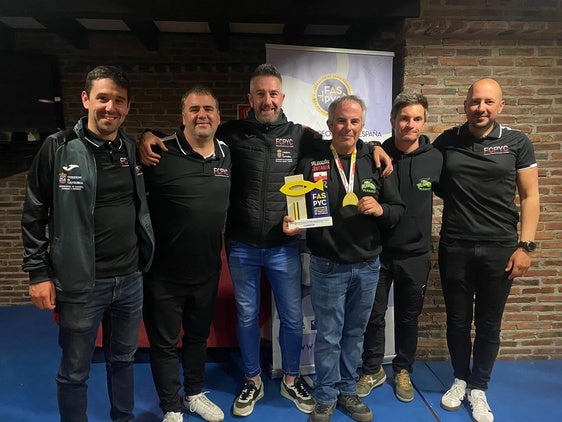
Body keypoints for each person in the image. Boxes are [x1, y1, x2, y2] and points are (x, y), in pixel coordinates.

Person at [138, 64, 393, 418]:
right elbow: (192, 134)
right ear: (250, 99)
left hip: (284, 244)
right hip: (241, 244)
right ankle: (252, 378)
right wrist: (147, 135)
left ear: (282, 97)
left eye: (273, 93)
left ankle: (290, 378)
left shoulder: (301, 136)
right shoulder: (231, 133)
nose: (267, 100)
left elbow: (343, 143)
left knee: (290, 317)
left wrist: (376, 146)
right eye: (260, 93)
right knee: (246, 315)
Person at [21, 65, 155, 422]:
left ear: (127, 107)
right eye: (103, 98)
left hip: (129, 279)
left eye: (119, 101)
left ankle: (122, 418)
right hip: (81, 283)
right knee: (75, 371)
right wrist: (38, 272)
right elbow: (34, 212)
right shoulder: (58, 148)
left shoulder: (130, 148)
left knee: (123, 361)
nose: (110, 107)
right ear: (86, 99)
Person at [284, 95, 405, 422]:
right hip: (327, 266)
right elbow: (296, 208)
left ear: (362, 126)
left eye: (354, 122)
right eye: (340, 120)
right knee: (329, 336)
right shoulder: (311, 161)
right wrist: (292, 222)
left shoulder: (376, 159)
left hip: (367, 266)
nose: (347, 127)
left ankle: (348, 392)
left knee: (354, 334)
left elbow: (397, 211)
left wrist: (381, 209)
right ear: (329, 124)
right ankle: (325, 396)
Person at [434, 78, 539, 422]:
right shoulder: (448, 141)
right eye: (475, 101)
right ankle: (460, 379)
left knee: (490, 324)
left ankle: (479, 387)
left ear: (501, 106)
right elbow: (416, 161)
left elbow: (530, 196)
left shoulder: (516, 142)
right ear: (465, 104)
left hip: (500, 248)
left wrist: (525, 246)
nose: (481, 108)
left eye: (489, 102)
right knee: (458, 321)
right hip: (455, 245)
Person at [142, 86, 230, 422]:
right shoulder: (159, 152)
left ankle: (193, 393)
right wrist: (144, 134)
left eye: (208, 108)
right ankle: (171, 408)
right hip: (162, 273)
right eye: (194, 109)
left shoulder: (226, 153)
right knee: (164, 344)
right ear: (182, 117)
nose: (202, 115)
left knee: (197, 337)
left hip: (207, 270)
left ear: (218, 116)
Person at [358, 92, 442, 403]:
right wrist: (374, 147)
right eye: (404, 118)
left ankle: (403, 369)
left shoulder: (436, 158)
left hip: (416, 255)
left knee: (408, 317)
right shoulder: (374, 154)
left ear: (424, 122)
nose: (410, 124)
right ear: (392, 121)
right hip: (377, 253)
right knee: (373, 316)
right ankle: (371, 368)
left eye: (416, 119)